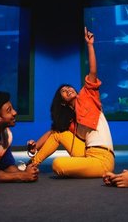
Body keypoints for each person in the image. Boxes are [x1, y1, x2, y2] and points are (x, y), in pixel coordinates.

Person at [27, 27, 114, 178]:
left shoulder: (87, 96)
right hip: (87, 153)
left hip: (102, 159)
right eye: (63, 91)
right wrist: (34, 148)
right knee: (57, 134)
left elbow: (93, 71)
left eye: (69, 88)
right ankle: (33, 163)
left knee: (58, 164)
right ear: (63, 102)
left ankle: (85, 167)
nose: (68, 90)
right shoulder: (73, 121)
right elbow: (52, 133)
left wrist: (90, 45)